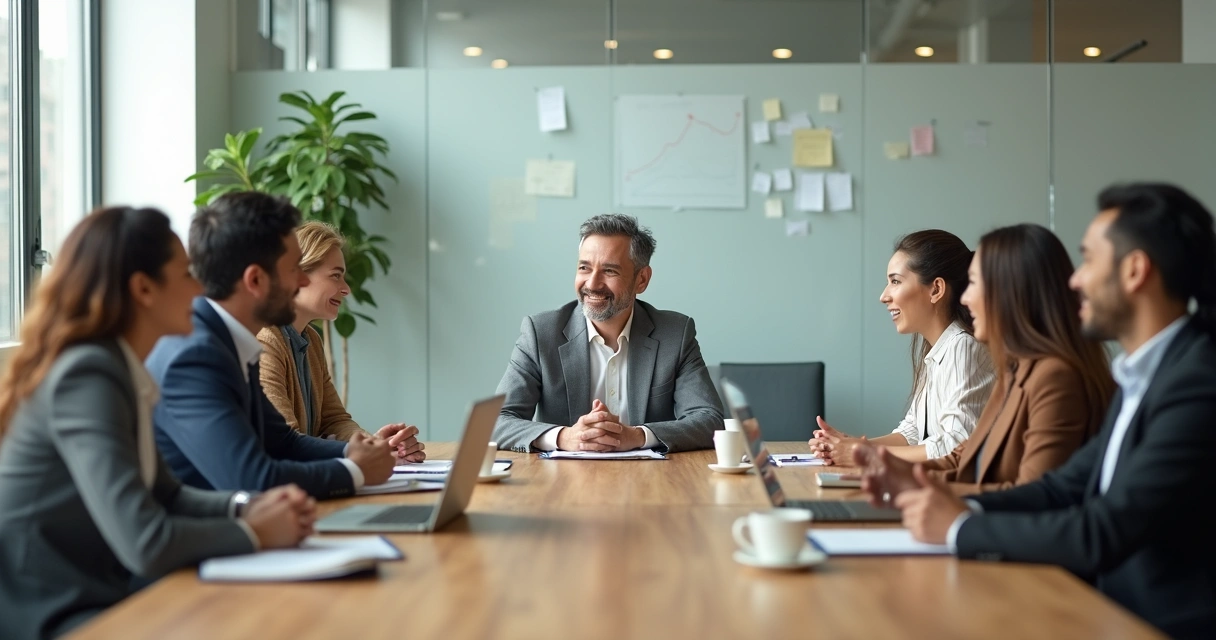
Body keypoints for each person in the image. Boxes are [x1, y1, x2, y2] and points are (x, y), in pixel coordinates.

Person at [859, 183, 1216, 638]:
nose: (1075, 279)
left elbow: (1101, 528)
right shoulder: (1147, 374)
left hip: (1149, 623)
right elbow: (1060, 487)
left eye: (1088, 260)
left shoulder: (1195, 383)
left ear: (1135, 271)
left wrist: (959, 527)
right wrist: (941, 500)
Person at [0, 207, 314, 640]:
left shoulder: (119, 365)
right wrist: (253, 531)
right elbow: (146, 542)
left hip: (99, 598)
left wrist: (245, 506)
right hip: (55, 615)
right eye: (186, 273)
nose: (201, 288)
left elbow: (166, 494)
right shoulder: (87, 374)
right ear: (143, 288)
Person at [148, 192, 399, 499]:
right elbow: (251, 477)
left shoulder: (229, 341)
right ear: (255, 280)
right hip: (211, 539)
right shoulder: (195, 357)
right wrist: (355, 470)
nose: (303, 283)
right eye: (295, 269)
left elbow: (282, 441)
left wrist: (356, 451)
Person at [854, 224, 1114, 494]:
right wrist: (890, 476)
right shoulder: (1015, 372)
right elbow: (963, 459)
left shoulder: (1054, 378)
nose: (965, 298)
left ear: (1011, 292)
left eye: (974, 283)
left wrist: (892, 472)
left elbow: (1032, 495)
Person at [493, 214, 723, 453]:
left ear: (641, 280)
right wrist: (565, 437)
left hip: (651, 481)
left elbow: (709, 420)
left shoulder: (674, 334)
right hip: (562, 481)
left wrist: (638, 436)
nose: (592, 284)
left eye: (609, 271)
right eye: (584, 268)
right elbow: (497, 421)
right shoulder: (541, 333)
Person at [811, 230, 995, 464]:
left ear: (936, 289)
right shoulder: (937, 349)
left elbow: (954, 446)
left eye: (895, 281)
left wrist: (865, 454)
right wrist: (853, 445)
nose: (883, 296)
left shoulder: (962, 347)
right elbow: (913, 431)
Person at [256, 221, 425, 462]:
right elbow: (284, 442)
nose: (346, 289)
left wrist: (375, 445)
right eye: (336, 276)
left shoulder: (311, 339)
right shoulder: (265, 341)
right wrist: (363, 453)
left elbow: (334, 420)